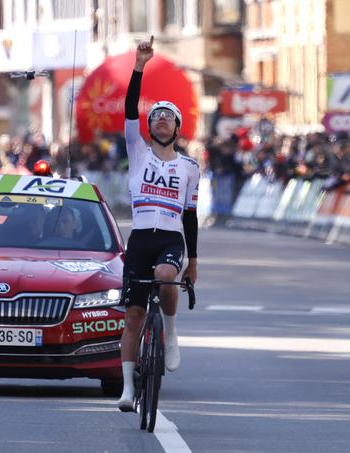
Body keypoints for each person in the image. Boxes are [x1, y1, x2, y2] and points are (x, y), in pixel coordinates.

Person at [117, 36, 200, 411]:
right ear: (150, 127)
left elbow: (191, 215)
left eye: (169, 117)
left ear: (178, 128)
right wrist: (139, 65)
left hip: (170, 237)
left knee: (167, 275)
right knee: (133, 315)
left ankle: (169, 331)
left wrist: (194, 262)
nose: (162, 120)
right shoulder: (137, 153)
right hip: (140, 238)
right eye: (157, 117)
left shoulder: (189, 168)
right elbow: (130, 107)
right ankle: (128, 390)